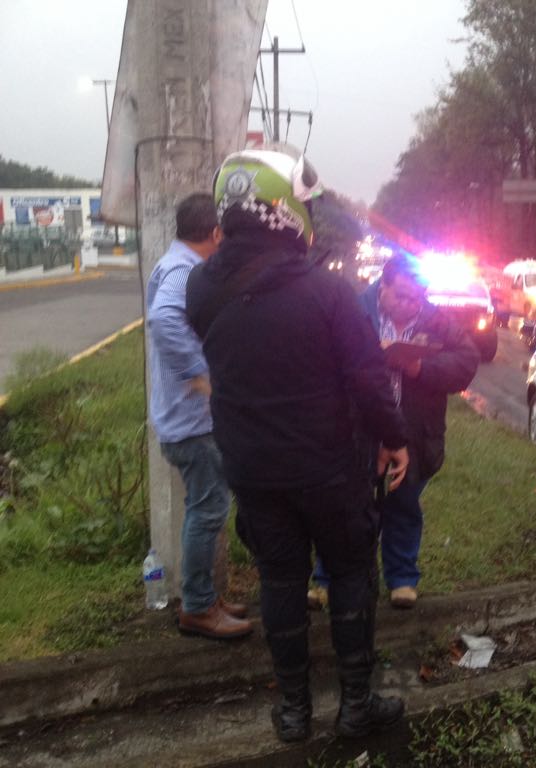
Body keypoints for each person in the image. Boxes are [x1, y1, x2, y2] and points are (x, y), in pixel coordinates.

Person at [185, 145, 410, 743]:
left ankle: (293, 713)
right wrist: (394, 438)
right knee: (351, 574)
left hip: (253, 471)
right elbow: (366, 379)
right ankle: (355, 705)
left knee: (279, 583)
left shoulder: (201, 290)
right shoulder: (328, 293)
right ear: (283, 209)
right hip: (330, 469)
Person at [145, 192, 253, 640]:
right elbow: (163, 319)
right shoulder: (186, 270)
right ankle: (197, 607)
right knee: (208, 511)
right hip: (192, 421)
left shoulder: (171, 264)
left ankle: (204, 595)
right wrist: (200, 373)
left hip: (181, 418)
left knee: (202, 508)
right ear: (214, 233)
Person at [360, 254, 479, 608]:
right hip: (362, 430)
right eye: (401, 295)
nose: (410, 304)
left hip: (416, 431)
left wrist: (419, 368)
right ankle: (329, 577)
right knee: (353, 506)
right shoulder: (355, 310)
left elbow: (466, 362)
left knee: (404, 503)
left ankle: (402, 577)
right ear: (384, 286)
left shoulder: (438, 320)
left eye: (417, 297)